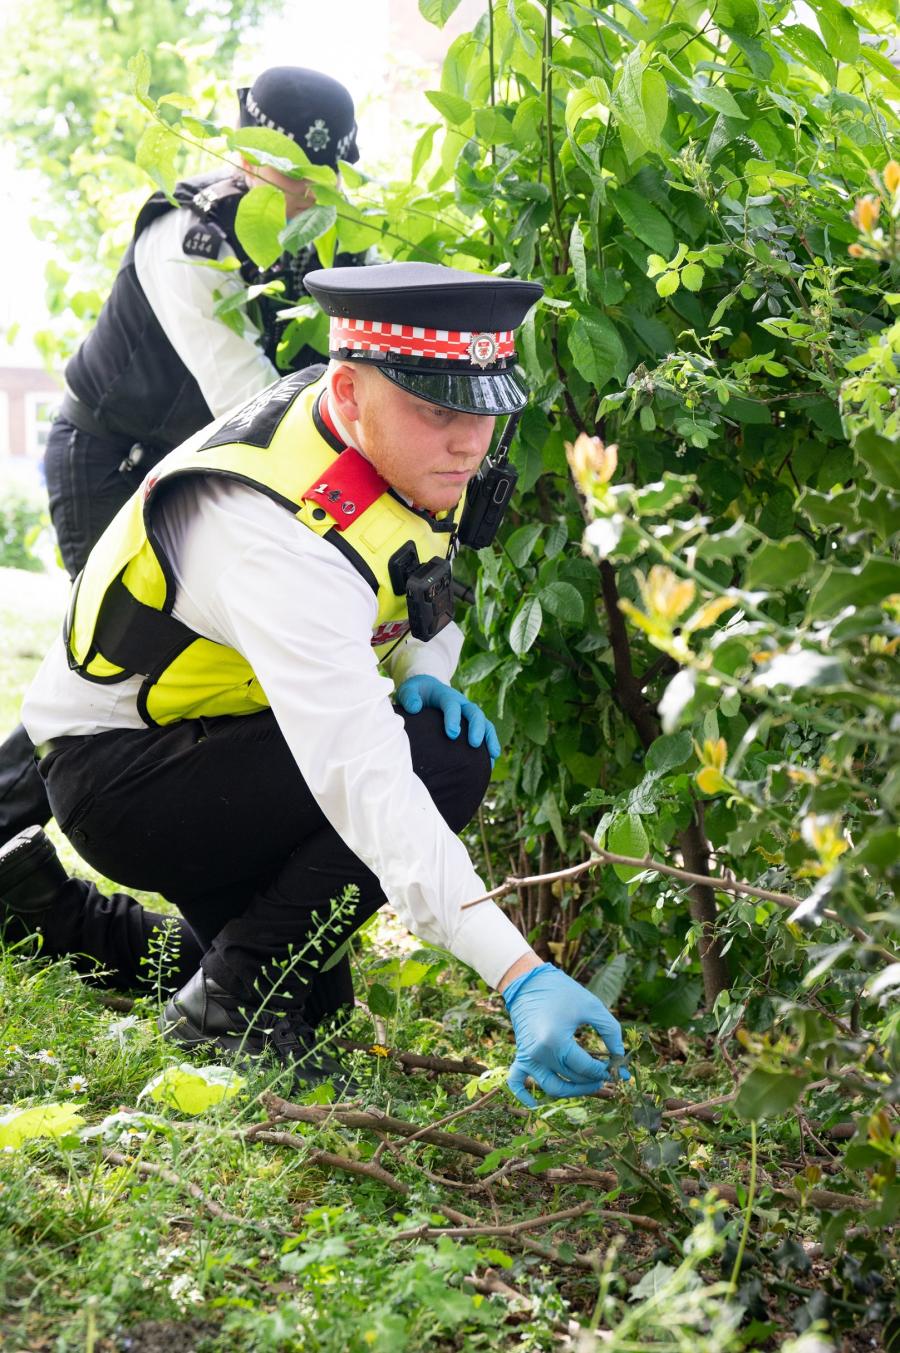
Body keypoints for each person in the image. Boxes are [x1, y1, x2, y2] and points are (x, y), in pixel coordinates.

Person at [2, 262, 627, 1106]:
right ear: (349, 386)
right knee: (439, 764)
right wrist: (519, 972)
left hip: (220, 739)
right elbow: (368, 783)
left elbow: (419, 583)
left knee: (304, 1002)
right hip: (123, 775)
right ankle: (224, 1006)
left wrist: (423, 666)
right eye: (439, 408)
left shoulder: (374, 431)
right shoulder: (272, 534)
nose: (470, 443)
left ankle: (41, 912)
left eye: (485, 409)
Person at [0, 66, 366, 850]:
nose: (311, 190)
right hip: (108, 458)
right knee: (119, 658)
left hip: (194, 471)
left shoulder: (329, 238)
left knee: (191, 664)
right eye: (294, 171)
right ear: (245, 153)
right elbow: (248, 394)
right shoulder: (188, 237)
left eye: (326, 172)